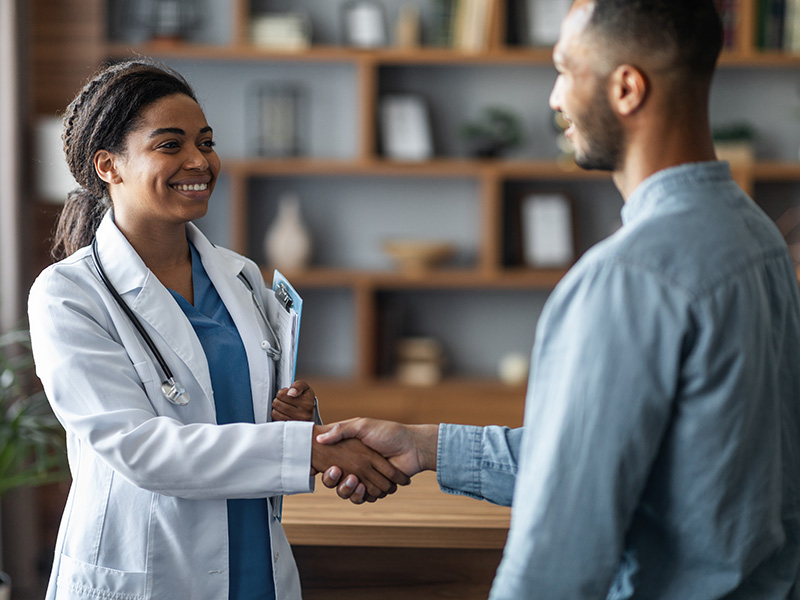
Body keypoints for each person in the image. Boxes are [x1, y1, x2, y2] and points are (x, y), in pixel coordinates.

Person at [317, 0, 800, 597]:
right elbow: (643, 463)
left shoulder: (627, 279)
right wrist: (426, 446)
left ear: (626, 88)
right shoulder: (758, 237)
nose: (553, 98)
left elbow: (558, 560)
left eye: (564, 70)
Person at [27, 59, 408, 600]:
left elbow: (245, 415)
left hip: (254, 563)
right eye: (170, 145)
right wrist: (307, 452)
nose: (199, 161)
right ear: (108, 165)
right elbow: (141, 450)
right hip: (149, 569)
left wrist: (299, 418)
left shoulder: (242, 276)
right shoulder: (68, 294)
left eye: (205, 142)